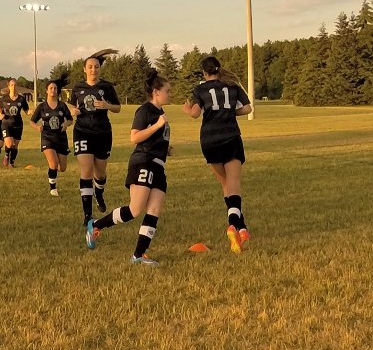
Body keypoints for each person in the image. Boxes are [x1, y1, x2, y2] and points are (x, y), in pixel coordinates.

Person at [85, 68, 173, 266]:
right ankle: (95, 225)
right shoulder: (145, 111)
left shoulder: (160, 112)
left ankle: (138, 255)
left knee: (155, 209)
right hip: (143, 162)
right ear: (156, 92)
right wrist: (158, 126)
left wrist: (165, 148)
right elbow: (134, 137)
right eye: (167, 90)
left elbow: (152, 138)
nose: (170, 93)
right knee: (135, 210)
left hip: (158, 165)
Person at [182, 56, 255, 253]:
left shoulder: (200, 89)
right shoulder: (231, 86)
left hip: (209, 140)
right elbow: (247, 108)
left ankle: (242, 228)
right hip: (230, 137)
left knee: (225, 184)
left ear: (204, 73)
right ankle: (233, 224)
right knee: (234, 184)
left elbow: (196, 113)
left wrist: (187, 110)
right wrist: (230, 111)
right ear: (218, 69)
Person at [69, 49, 121, 224]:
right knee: (86, 171)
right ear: (84, 69)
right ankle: (87, 215)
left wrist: (106, 105)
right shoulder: (78, 87)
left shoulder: (106, 87)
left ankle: (99, 192)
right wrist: (72, 110)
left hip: (103, 133)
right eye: (90, 67)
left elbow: (117, 108)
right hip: (82, 131)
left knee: (100, 173)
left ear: (99, 68)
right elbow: (69, 106)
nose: (93, 70)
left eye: (96, 67)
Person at [31, 77, 74, 196]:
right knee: (53, 164)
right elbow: (32, 121)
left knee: (62, 168)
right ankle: (53, 188)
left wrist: (66, 124)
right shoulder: (42, 107)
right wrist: (37, 127)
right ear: (47, 91)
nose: (53, 90)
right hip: (47, 138)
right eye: (51, 88)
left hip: (61, 138)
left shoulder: (62, 106)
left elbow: (70, 120)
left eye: (55, 88)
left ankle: (52, 171)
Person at [0, 79, 30, 169]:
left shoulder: (21, 99)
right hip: (6, 123)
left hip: (18, 124)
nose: (14, 87)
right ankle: (7, 155)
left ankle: (11, 163)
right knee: (9, 144)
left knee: (15, 146)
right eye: (12, 85)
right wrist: (0, 114)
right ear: (8, 86)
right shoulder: (4, 98)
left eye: (15, 85)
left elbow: (26, 111)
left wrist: (31, 112)